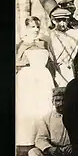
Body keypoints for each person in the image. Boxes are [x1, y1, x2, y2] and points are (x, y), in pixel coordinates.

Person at [16, 16, 57, 147]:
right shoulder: (21, 44)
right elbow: (17, 62)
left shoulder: (43, 42)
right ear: (26, 27)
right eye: (32, 27)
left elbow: (51, 61)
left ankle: (44, 137)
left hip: (43, 77)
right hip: (27, 78)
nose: (36, 29)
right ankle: (27, 139)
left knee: (44, 106)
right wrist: (24, 63)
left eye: (37, 27)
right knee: (29, 106)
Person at [28, 87, 75, 156]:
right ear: (52, 102)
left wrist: (74, 145)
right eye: (57, 100)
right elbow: (40, 138)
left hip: (72, 152)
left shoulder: (76, 115)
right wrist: (50, 149)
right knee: (33, 151)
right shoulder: (46, 118)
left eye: (64, 100)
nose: (60, 104)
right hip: (55, 153)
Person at [48, 8, 78, 87]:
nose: (62, 23)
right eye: (59, 21)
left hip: (70, 67)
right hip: (56, 68)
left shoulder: (74, 34)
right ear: (54, 21)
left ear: (68, 20)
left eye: (64, 20)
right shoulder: (50, 35)